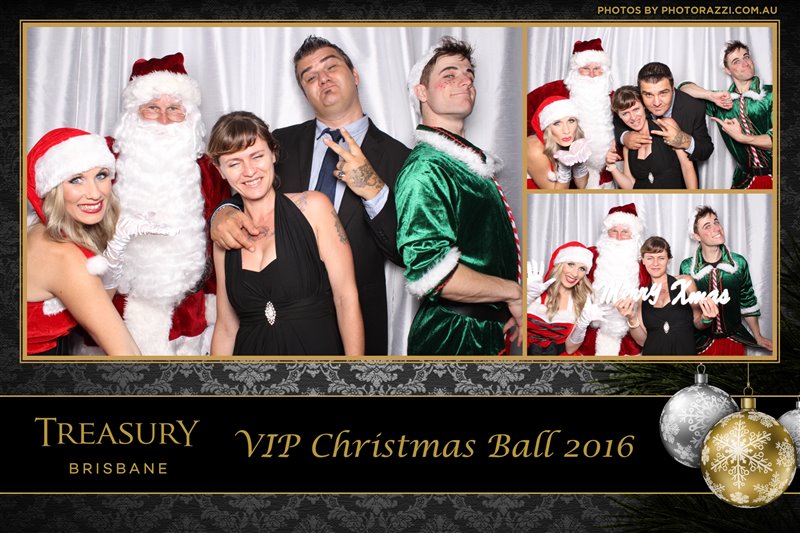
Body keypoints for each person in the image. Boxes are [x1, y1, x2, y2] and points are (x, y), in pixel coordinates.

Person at [210, 36, 410, 356]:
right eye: (310, 76)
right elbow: (250, 188)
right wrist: (221, 212)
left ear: (355, 74)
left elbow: (407, 253)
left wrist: (373, 189)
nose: (323, 78)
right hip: (278, 321)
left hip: (357, 320)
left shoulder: (400, 158)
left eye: (331, 67)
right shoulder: (280, 142)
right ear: (304, 91)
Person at [396, 36, 522, 355]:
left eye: (468, 74)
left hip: (481, 329)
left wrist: (499, 310)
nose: (465, 80)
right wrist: (512, 293)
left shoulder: (462, 163)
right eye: (449, 75)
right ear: (422, 92)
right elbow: (431, 272)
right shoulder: (426, 168)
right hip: (452, 338)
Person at [206, 112, 363, 356]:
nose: (249, 171)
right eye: (235, 163)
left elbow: (346, 299)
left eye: (257, 156)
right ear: (220, 170)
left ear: (273, 154)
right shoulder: (226, 236)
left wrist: (354, 372)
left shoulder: (313, 208)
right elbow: (226, 327)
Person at [110, 52, 231, 355]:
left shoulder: (207, 170)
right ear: (134, 113)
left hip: (188, 316)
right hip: (115, 312)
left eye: (174, 109)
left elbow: (221, 241)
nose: (164, 119)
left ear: (188, 115)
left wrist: (217, 301)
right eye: (152, 108)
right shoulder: (104, 164)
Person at [27, 128, 142, 355]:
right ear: (52, 189)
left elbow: (95, 307)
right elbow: (127, 354)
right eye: (76, 180)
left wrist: (115, 251)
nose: (95, 193)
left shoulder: (38, 228)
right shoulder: (63, 256)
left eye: (101, 176)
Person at [678, 40, 772, 189]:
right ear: (727, 70)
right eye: (736, 61)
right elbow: (683, 88)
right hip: (743, 181)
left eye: (746, 57)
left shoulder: (772, 94)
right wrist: (710, 96)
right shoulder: (722, 100)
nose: (745, 63)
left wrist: (742, 138)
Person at [679, 205, 772, 355]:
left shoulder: (739, 263)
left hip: (735, 340)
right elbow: (688, 311)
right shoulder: (687, 267)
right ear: (697, 236)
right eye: (707, 226)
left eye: (716, 222)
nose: (717, 228)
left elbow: (747, 301)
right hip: (701, 344)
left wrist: (758, 336)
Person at [527, 38, 615, 188]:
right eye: (585, 68)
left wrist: (626, 138)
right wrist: (541, 143)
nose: (592, 74)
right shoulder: (554, 90)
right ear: (575, 70)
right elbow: (525, 114)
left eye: (597, 68)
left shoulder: (612, 97)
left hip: (603, 174)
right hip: (553, 169)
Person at [615, 236, 719, 355]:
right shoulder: (640, 296)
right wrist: (631, 318)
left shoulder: (685, 283)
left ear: (668, 259)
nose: (655, 263)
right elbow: (642, 341)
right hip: (653, 361)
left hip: (684, 359)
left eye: (661, 258)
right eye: (650, 258)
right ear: (643, 260)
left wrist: (706, 319)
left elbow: (698, 323)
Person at [616, 62, 713, 187]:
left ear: (672, 88)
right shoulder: (635, 101)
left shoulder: (692, 108)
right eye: (649, 95)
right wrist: (625, 136)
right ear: (641, 93)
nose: (656, 102)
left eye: (663, 93)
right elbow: (616, 120)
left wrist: (683, 140)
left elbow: (706, 150)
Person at [581, 203, 648, 356]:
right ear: (606, 233)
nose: (618, 237)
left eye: (625, 232)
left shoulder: (643, 264)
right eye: (614, 231)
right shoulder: (590, 256)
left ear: (634, 235)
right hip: (591, 335)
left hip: (629, 337)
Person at [605, 86, 698, 189]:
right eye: (625, 113)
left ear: (644, 107)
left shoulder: (666, 125)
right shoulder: (628, 146)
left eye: (636, 109)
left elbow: (687, 167)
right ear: (619, 116)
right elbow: (630, 185)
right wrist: (611, 166)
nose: (633, 117)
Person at [527, 242, 605, 355]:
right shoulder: (534, 289)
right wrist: (527, 298)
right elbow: (515, 327)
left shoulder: (582, 302)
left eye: (582, 268)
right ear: (559, 264)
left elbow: (570, 349)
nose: (575, 274)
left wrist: (582, 325)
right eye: (571, 264)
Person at [527, 96, 590, 189]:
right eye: (557, 123)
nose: (566, 130)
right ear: (547, 127)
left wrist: (578, 162)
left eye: (571, 121)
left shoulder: (571, 140)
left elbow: (582, 185)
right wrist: (565, 168)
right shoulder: (534, 149)